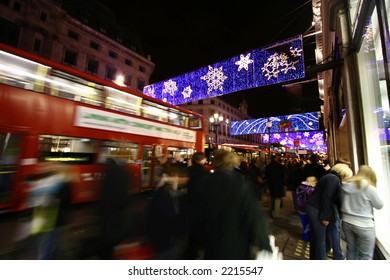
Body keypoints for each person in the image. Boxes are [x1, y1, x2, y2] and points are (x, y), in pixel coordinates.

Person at [190, 150, 272, 259]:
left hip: (212, 244)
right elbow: (255, 216)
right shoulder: (240, 183)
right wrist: (265, 244)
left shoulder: (204, 182)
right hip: (236, 245)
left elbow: (196, 215)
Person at [306, 163, 353, 260]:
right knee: (320, 238)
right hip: (317, 208)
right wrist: (325, 216)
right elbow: (326, 197)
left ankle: (315, 258)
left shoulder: (330, 177)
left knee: (316, 237)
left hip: (314, 207)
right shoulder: (333, 179)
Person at [340, 165, 383, 260]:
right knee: (365, 255)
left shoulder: (345, 184)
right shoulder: (369, 188)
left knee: (351, 250)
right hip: (365, 225)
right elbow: (379, 205)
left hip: (347, 222)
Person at [147, 164, 188, 259]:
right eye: (181, 177)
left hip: (168, 239)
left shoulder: (176, 192)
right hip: (164, 240)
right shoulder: (163, 194)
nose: (185, 179)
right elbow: (166, 217)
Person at [99, 157, 130, 259]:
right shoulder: (123, 173)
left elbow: (104, 191)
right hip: (117, 210)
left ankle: (106, 254)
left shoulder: (110, 172)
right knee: (114, 234)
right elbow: (124, 198)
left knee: (107, 234)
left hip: (107, 209)